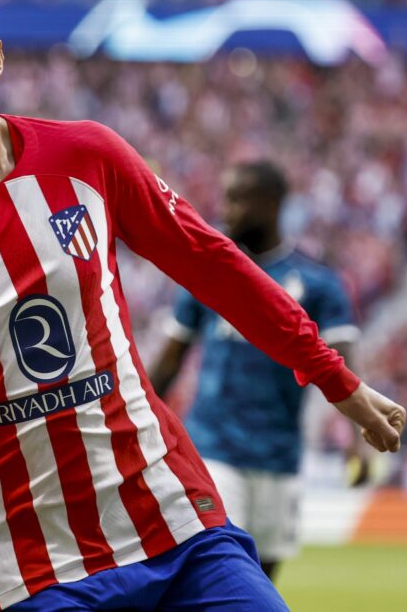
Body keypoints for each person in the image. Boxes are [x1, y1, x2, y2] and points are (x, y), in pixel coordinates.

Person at [0, 0, 406, 612]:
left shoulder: (88, 157)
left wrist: (337, 380)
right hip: (31, 573)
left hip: (178, 528)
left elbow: (211, 264)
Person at [149, 161, 363, 582]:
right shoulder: (208, 268)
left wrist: (357, 440)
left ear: (272, 205)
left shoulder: (318, 284)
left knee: (262, 582)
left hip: (278, 455)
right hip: (213, 449)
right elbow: (172, 358)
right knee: (226, 570)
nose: (227, 209)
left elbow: (344, 366)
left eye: (238, 198)